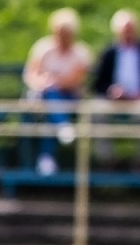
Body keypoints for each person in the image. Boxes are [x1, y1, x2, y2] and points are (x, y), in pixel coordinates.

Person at [24, 8, 94, 174]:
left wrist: (55, 82)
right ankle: (62, 126)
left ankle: (47, 158)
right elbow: (31, 74)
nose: (62, 36)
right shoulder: (43, 48)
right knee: (50, 99)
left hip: (70, 97)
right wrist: (42, 83)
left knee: (52, 106)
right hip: (43, 96)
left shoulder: (81, 53)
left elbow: (76, 80)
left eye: (66, 33)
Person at [93, 9, 140, 99]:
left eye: (130, 30)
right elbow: (98, 83)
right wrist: (112, 90)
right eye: (125, 31)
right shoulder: (109, 53)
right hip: (113, 103)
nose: (128, 34)